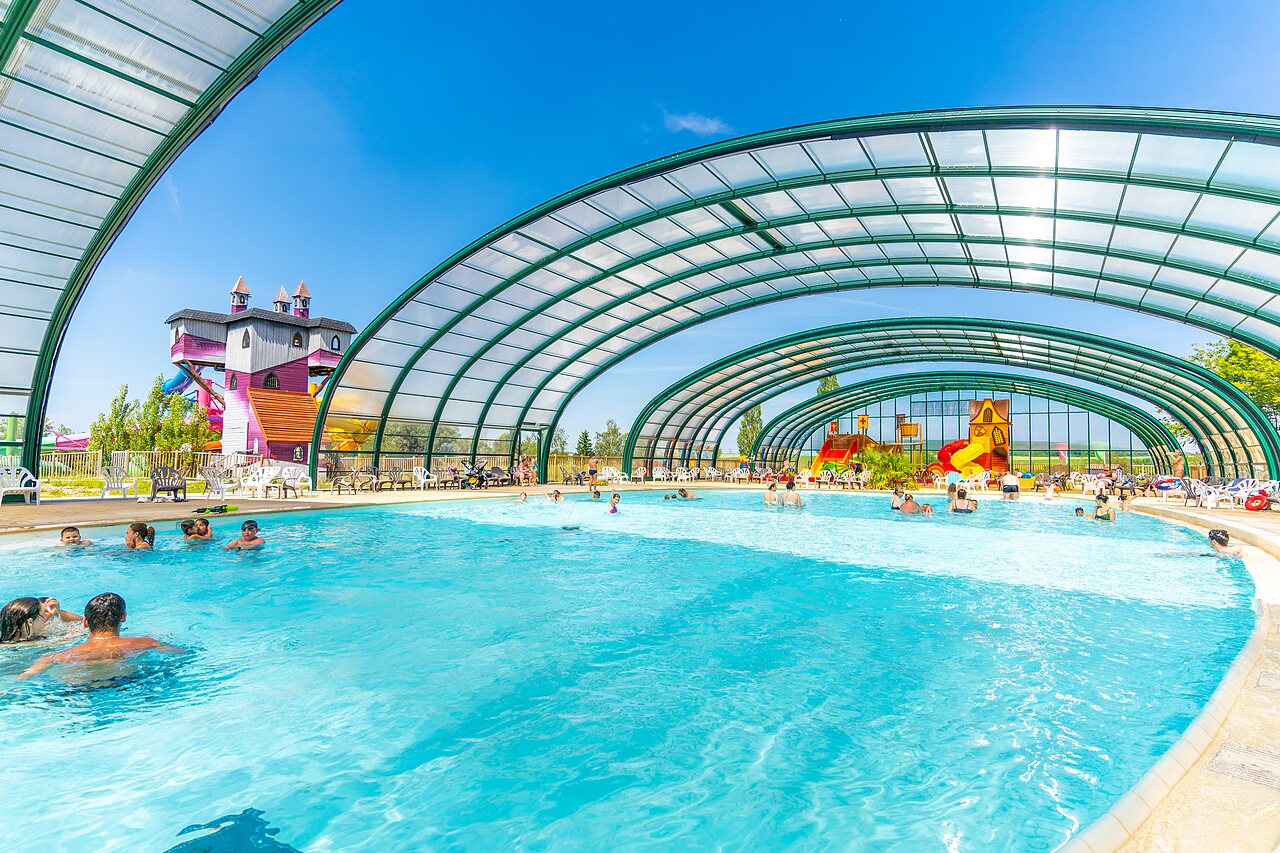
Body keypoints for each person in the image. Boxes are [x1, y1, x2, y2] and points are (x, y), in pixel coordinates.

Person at [19, 593, 185, 679]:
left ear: (85, 622)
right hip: (128, 683)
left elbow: (24, 677)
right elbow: (183, 655)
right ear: (123, 617)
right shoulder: (147, 643)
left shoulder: (56, 657)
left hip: (78, 689)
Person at [0, 596, 83, 643]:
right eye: (43, 614)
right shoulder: (37, 644)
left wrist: (57, 613)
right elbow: (85, 626)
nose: (45, 619)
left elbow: (82, 621)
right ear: (30, 622)